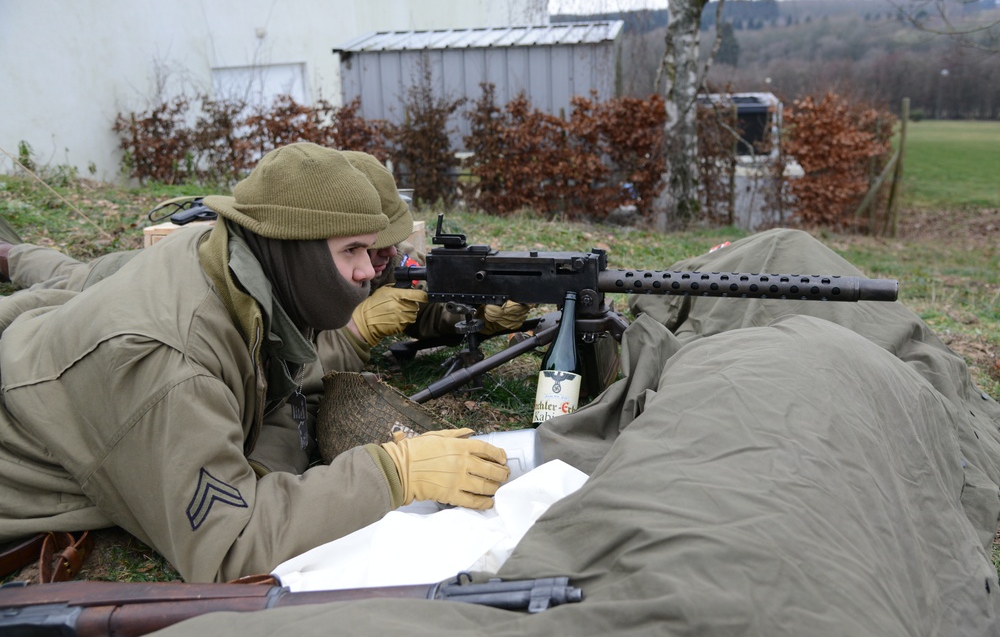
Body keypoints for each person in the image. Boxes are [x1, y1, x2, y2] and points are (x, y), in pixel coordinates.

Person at [150, 228, 1000, 636]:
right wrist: (372, 339)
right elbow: (307, 369)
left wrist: (459, 315)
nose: (374, 271)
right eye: (357, 257)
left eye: (382, 255)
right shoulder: (196, 340)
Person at [0, 142, 510, 583]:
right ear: (296, 249)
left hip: (46, 328)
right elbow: (229, 548)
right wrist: (389, 476)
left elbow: (288, 391)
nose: (368, 271)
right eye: (354, 249)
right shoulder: (170, 367)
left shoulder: (244, 268)